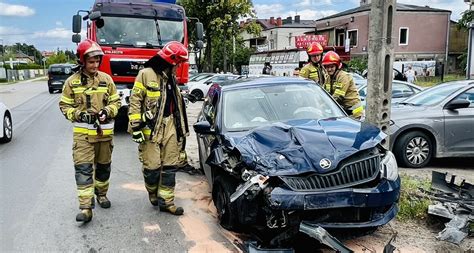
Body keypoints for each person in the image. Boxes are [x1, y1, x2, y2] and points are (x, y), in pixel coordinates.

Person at [59, 39, 121, 223]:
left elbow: (116, 102)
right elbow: (64, 105)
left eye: (97, 61)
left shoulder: (106, 80)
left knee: (103, 169)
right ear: (82, 61)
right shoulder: (72, 82)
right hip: (83, 137)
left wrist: (108, 111)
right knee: (83, 170)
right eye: (91, 61)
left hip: (104, 135)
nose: (95, 65)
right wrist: (78, 114)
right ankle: (86, 208)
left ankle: (101, 195)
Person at [128, 41, 189, 215]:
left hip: (170, 125)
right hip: (151, 127)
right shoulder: (145, 74)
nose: (178, 66)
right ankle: (152, 191)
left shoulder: (171, 76)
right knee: (152, 168)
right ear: (170, 60)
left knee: (170, 165)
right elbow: (135, 101)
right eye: (177, 62)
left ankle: (167, 202)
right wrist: (136, 126)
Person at [321, 51, 363, 120]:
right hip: (343, 112)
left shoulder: (344, 76)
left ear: (337, 66)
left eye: (332, 66)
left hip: (354, 113)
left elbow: (338, 97)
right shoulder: (328, 78)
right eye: (327, 67)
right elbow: (324, 94)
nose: (329, 69)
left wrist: (324, 106)